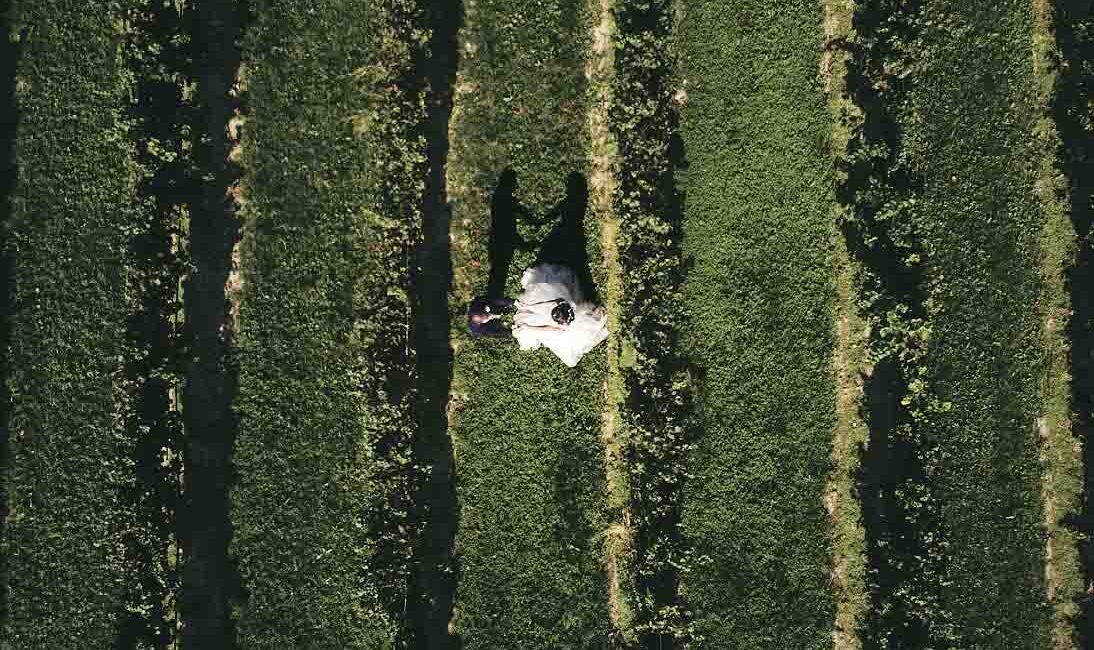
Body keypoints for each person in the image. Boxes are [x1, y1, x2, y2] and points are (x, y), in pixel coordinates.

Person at [512, 263, 607, 367]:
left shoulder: (538, 319)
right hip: (555, 306)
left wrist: (529, 328)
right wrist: (528, 324)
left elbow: (557, 330)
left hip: (563, 319)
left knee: (571, 359)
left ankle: (603, 327)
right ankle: (595, 321)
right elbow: (552, 309)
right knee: (570, 351)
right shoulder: (531, 310)